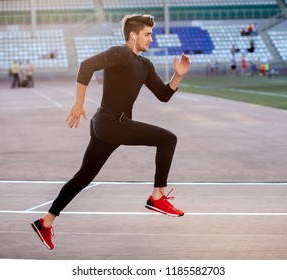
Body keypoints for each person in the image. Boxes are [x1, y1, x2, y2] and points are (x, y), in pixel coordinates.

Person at [31, 14, 191, 250]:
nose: (151, 39)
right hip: (111, 123)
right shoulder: (120, 53)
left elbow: (164, 95)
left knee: (84, 176)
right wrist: (78, 104)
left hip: (107, 125)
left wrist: (177, 76)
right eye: (148, 34)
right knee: (168, 139)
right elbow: (87, 65)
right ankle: (157, 196)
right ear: (133, 35)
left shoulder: (145, 65)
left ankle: (45, 222)